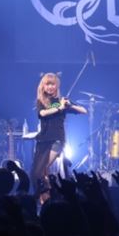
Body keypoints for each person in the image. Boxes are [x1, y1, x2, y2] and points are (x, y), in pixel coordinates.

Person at [33, 73, 87, 203]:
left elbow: (84, 111)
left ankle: (48, 197)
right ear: (43, 86)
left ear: (56, 86)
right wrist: (59, 108)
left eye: (53, 84)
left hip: (57, 139)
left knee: (41, 169)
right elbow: (43, 113)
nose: (50, 87)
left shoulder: (61, 100)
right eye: (48, 84)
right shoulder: (41, 101)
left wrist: (69, 105)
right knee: (39, 172)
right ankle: (46, 199)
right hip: (43, 140)